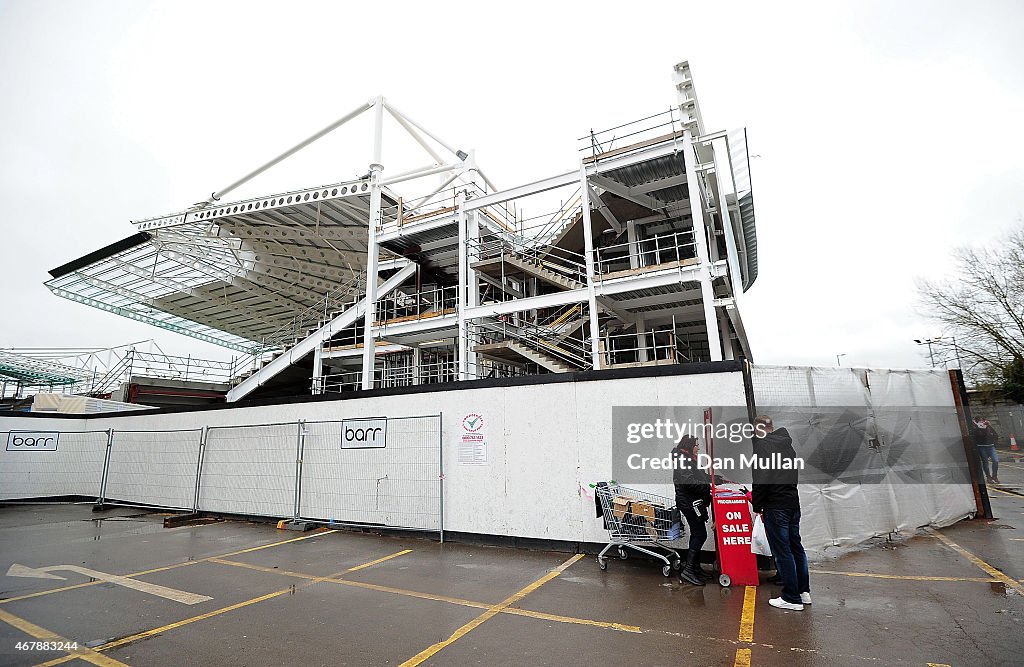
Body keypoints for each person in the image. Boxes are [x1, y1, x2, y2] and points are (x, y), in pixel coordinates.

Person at [751, 415, 810, 611]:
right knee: (796, 547)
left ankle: (791, 597)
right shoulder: (787, 445)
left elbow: (761, 478)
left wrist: (757, 505)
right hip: (792, 502)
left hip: (776, 506)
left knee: (783, 552)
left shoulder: (763, 446)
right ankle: (803, 592)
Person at [671, 435, 723, 586]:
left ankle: (695, 567)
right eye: (696, 445)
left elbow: (697, 476)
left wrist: (714, 479)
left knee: (697, 533)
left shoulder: (688, 458)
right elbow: (688, 482)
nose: (698, 448)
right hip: (688, 503)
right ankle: (688, 570)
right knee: (700, 534)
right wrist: (707, 486)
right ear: (688, 446)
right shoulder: (683, 459)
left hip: (692, 502)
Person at [973, 418, 1000, 484]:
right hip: (982, 447)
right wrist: (977, 426)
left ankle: (994, 476)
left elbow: (996, 435)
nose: (982, 423)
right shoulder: (976, 428)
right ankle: (988, 477)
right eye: (980, 421)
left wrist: (989, 426)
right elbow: (977, 436)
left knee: (995, 460)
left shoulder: (988, 427)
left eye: (983, 421)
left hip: (991, 446)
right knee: (985, 462)